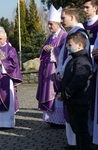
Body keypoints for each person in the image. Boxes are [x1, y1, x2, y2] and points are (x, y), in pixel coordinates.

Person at [56, 5, 91, 149]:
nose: (68, 48)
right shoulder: (74, 57)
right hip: (72, 99)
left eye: (63, 17)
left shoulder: (81, 59)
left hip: (78, 99)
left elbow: (79, 79)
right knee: (77, 128)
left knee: (81, 130)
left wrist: (65, 93)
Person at [36, 4, 67, 128]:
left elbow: (64, 52)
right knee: (47, 92)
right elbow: (42, 51)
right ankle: (51, 119)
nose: (49, 26)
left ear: (58, 24)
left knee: (54, 92)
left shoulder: (64, 36)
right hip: (46, 71)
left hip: (55, 72)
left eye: (51, 24)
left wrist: (53, 50)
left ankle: (59, 121)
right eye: (49, 24)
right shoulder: (50, 37)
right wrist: (44, 49)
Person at [82, 0, 98, 140]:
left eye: (87, 7)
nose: (85, 10)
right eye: (83, 8)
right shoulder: (82, 26)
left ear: (95, 8)